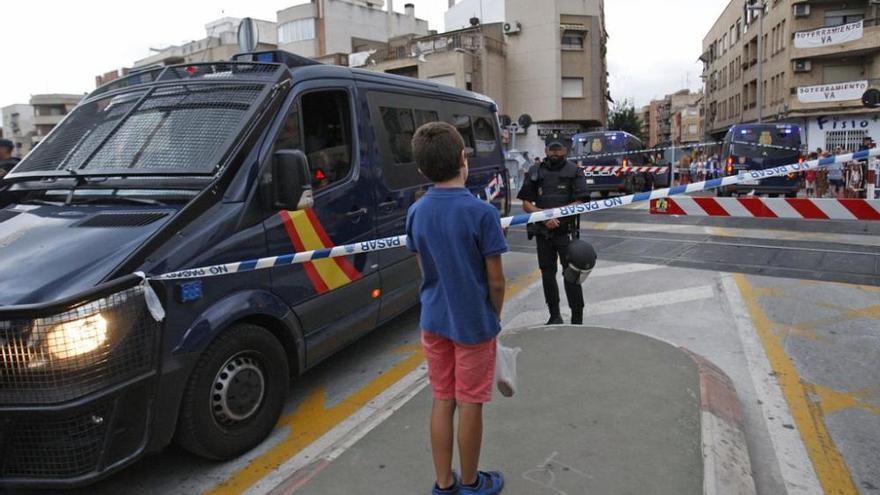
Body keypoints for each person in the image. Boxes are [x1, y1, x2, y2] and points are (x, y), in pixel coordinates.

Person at [406, 121, 507, 495]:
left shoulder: (417, 211)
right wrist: (493, 317)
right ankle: (471, 481)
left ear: (421, 169)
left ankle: (444, 483)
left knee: (442, 398)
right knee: (470, 403)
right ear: (463, 159)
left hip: (433, 320)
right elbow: (496, 281)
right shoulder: (482, 214)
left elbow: (424, 268)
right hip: (473, 325)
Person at [517, 133, 590, 325]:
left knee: (571, 275)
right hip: (544, 232)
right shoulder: (535, 171)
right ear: (546, 150)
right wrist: (544, 216)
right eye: (552, 148)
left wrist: (558, 217)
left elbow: (580, 201)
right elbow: (526, 203)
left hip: (565, 232)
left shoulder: (574, 171)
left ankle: (577, 318)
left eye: (559, 149)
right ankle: (554, 315)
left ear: (566, 150)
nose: (555, 152)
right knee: (547, 275)